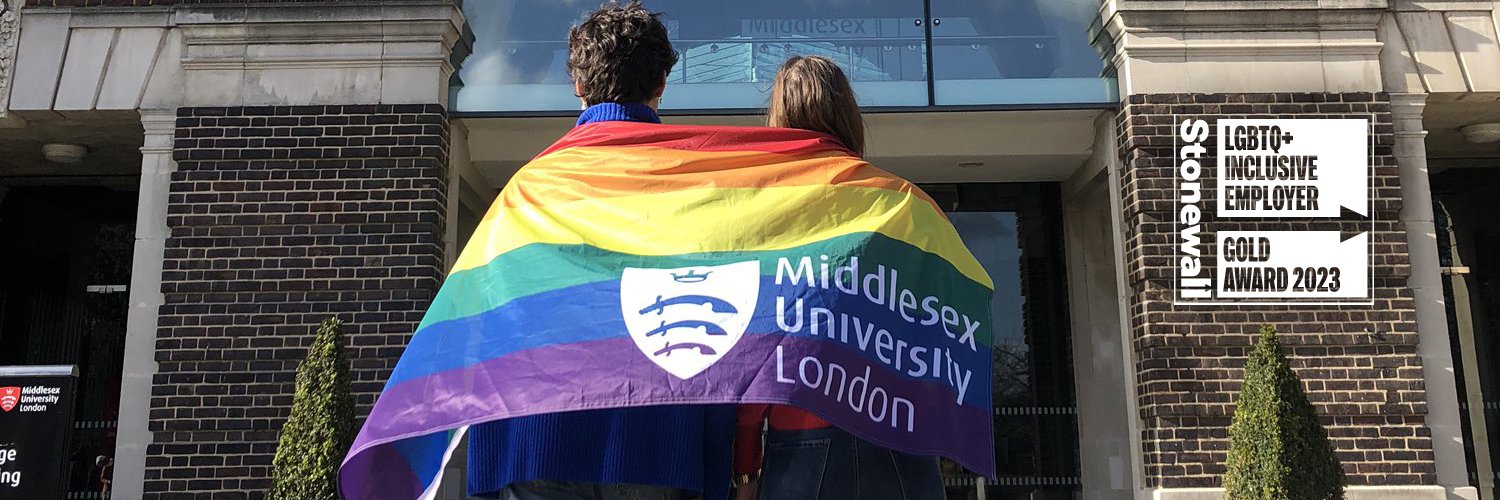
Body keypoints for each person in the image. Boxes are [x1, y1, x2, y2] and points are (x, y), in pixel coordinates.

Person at [464, 3, 737, 500]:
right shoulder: (697, 188)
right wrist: (718, 463)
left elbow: (494, 330)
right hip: (661, 448)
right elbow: (720, 325)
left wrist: (487, 469)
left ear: (578, 85)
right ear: (660, 83)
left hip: (538, 446)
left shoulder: (530, 190)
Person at [731, 56, 947, 500]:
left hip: (802, 442)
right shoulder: (910, 207)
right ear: (849, 114)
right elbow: (944, 334)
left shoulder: (766, 216)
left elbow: (755, 348)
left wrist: (746, 467)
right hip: (901, 433)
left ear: (778, 119)